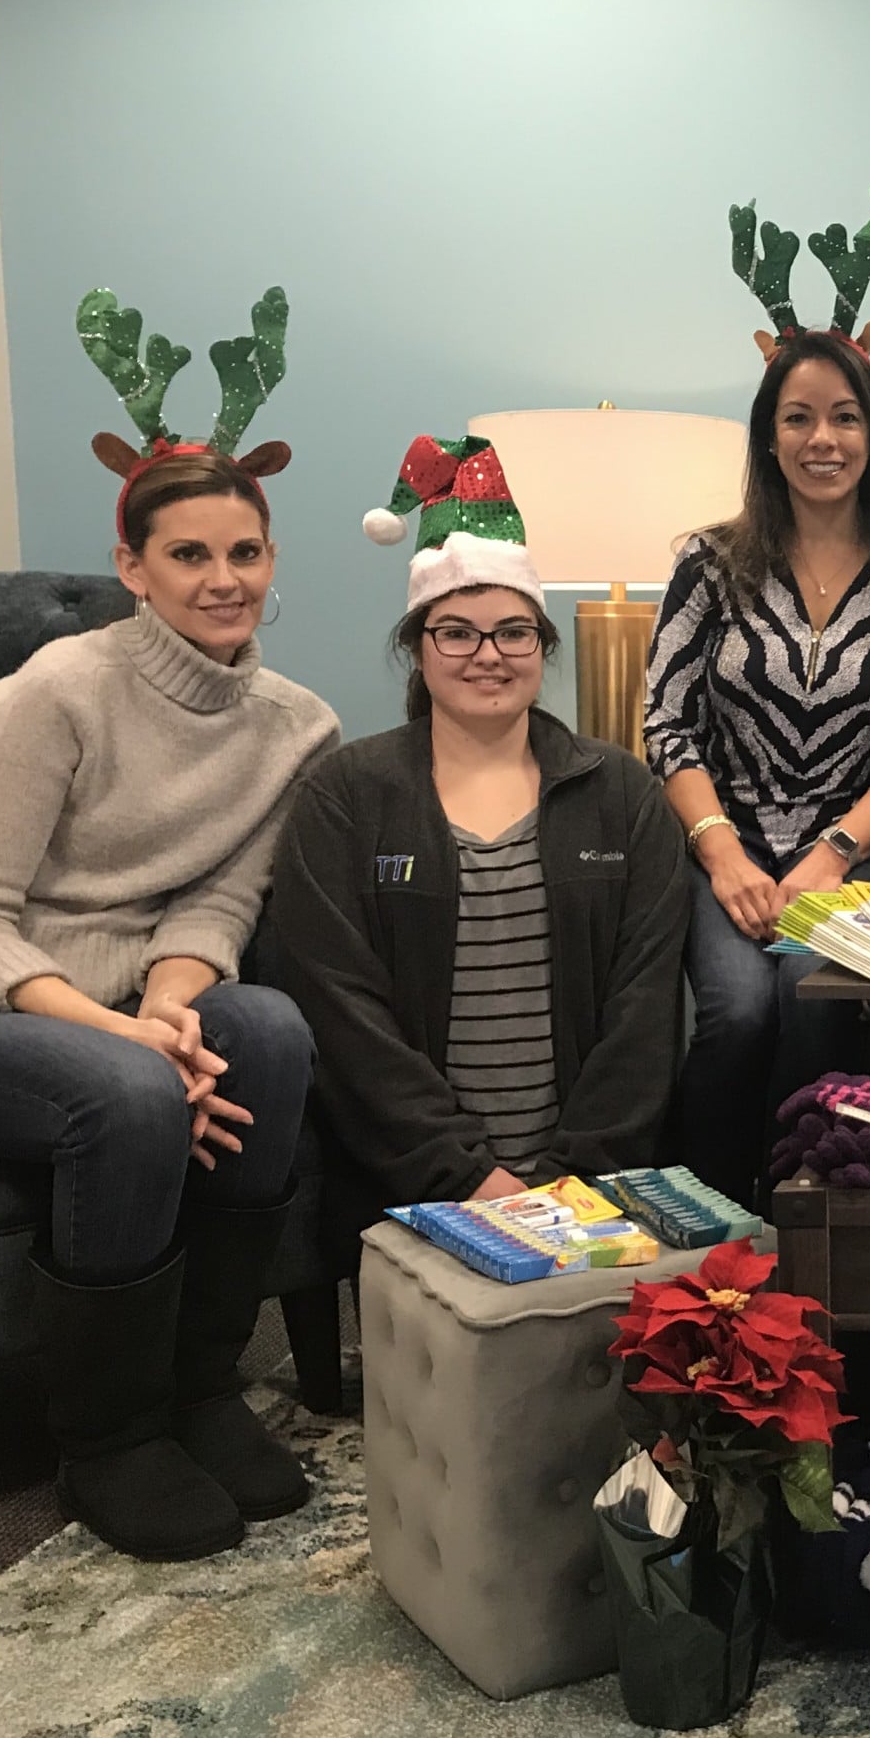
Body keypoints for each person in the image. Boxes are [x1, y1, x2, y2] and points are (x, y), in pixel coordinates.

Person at [0, 288, 338, 1562]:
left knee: (275, 1034)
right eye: (188, 555)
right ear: (132, 568)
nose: (222, 578)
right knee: (127, 1099)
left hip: (122, 989)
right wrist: (130, 1043)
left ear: (271, 559)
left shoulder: (296, 725)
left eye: (243, 552)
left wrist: (174, 1011)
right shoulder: (54, 695)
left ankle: (202, 1389)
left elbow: (220, 897)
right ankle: (110, 1437)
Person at [270, 436, 687, 1223]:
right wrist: (465, 1178)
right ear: (417, 650)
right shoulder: (347, 794)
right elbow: (342, 1009)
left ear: (542, 646)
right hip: (410, 1192)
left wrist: (572, 1180)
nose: (487, 655)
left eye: (514, 632)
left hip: (590, 1195)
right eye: (456, 631)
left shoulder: (621, 794)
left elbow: (646, 1010)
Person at [647, 202, 870, 1204]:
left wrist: (828, 856)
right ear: (768, 435)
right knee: (737, 1009)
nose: (821, 438)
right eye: (798, 417)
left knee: (811, 994)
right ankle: (704, 1213)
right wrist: (724, 852)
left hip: (852, 855)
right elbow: (665, 723)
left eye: (843, 416)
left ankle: (804, 1217)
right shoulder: (708, 562)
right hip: (722, 848)